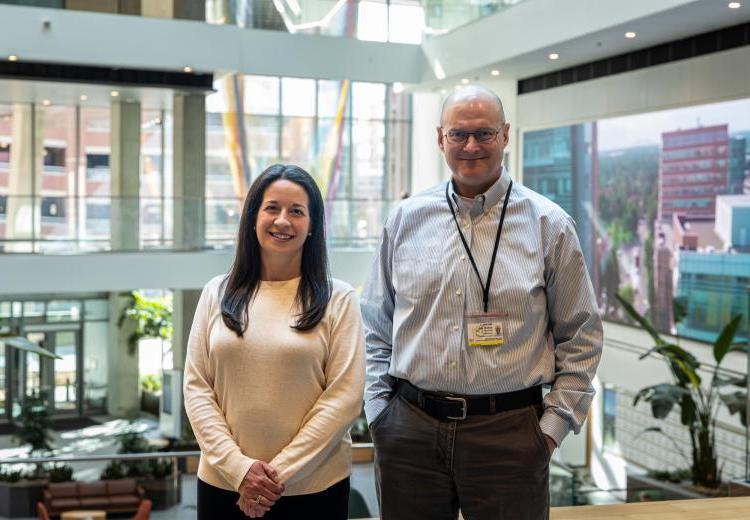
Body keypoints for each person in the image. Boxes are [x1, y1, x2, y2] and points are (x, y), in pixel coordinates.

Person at [362, 85, 603, 520]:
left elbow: (582, 336)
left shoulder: (549, 225)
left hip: (509, 434)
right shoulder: (405, 219)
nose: (471, 146)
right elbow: (374, 326)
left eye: (484, 134)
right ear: (440, 139)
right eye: (458, 135)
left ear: (505, 135)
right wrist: (381, 414)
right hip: (410, 430)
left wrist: (548, 431)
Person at [184, 164, 365, 519]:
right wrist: (240, 471)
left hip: (313, 490)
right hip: (225, 486)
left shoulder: (339, 299)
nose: (283, 220)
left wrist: (271, 477)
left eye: (297, 211)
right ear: (253, 217)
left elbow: (344, 398)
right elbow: (196, 389)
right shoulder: (215, 293)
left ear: (312, 226)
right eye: (272, 208)